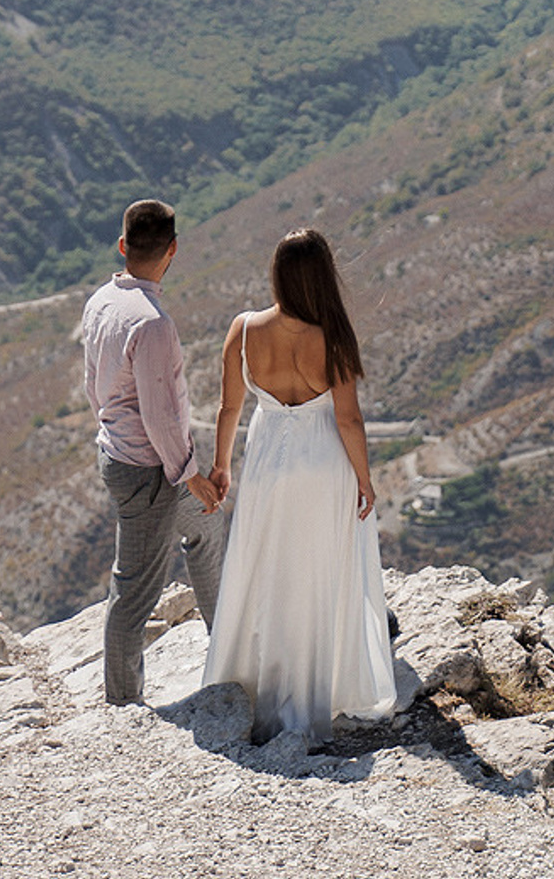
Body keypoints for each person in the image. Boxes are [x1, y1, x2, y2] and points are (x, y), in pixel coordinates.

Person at [200, 226, 396, 744]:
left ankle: (251, 682)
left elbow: (229, 406)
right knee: (313, 573)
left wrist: (221, 466)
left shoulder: (244, 329)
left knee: (264, 566)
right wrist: (365, 479)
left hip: (267, 462)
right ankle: (311, 692)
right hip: (323, 463)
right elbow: (349, 419)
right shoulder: (332, 336)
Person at [81, 197, 224, 706]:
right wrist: (190, 474)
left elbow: (93, 385)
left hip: (127, 455)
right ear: (173, 250)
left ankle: (227, 649)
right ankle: (122, 704)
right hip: (151, 469)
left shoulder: (100, 301)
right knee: (136, 589)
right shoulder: (153, 324)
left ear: (122, 245)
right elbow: (161, 416)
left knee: (207, 526)